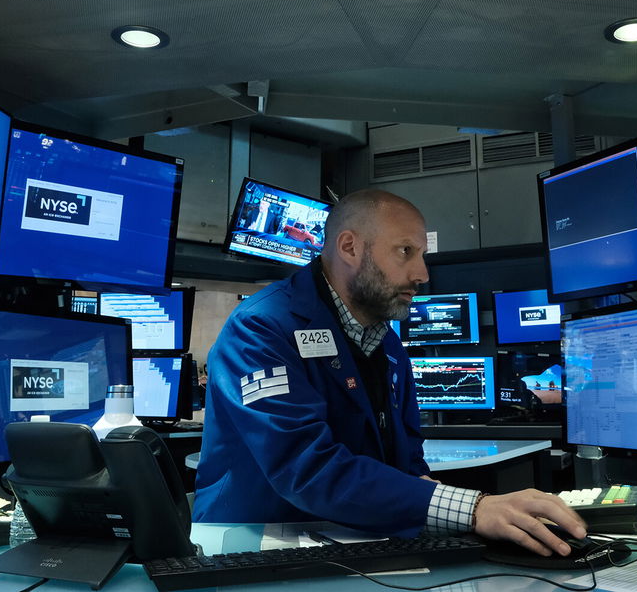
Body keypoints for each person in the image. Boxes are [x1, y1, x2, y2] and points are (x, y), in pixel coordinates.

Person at [193, 189, 586, 556]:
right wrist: (473, 508)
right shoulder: (262, 328)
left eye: (422, 254)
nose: (422, 273)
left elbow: (408, 466)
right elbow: (305, 468)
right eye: (405, 251)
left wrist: (489, 515)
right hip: (253, 550)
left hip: (355, 542)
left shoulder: (387, 345)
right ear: (350, 247)